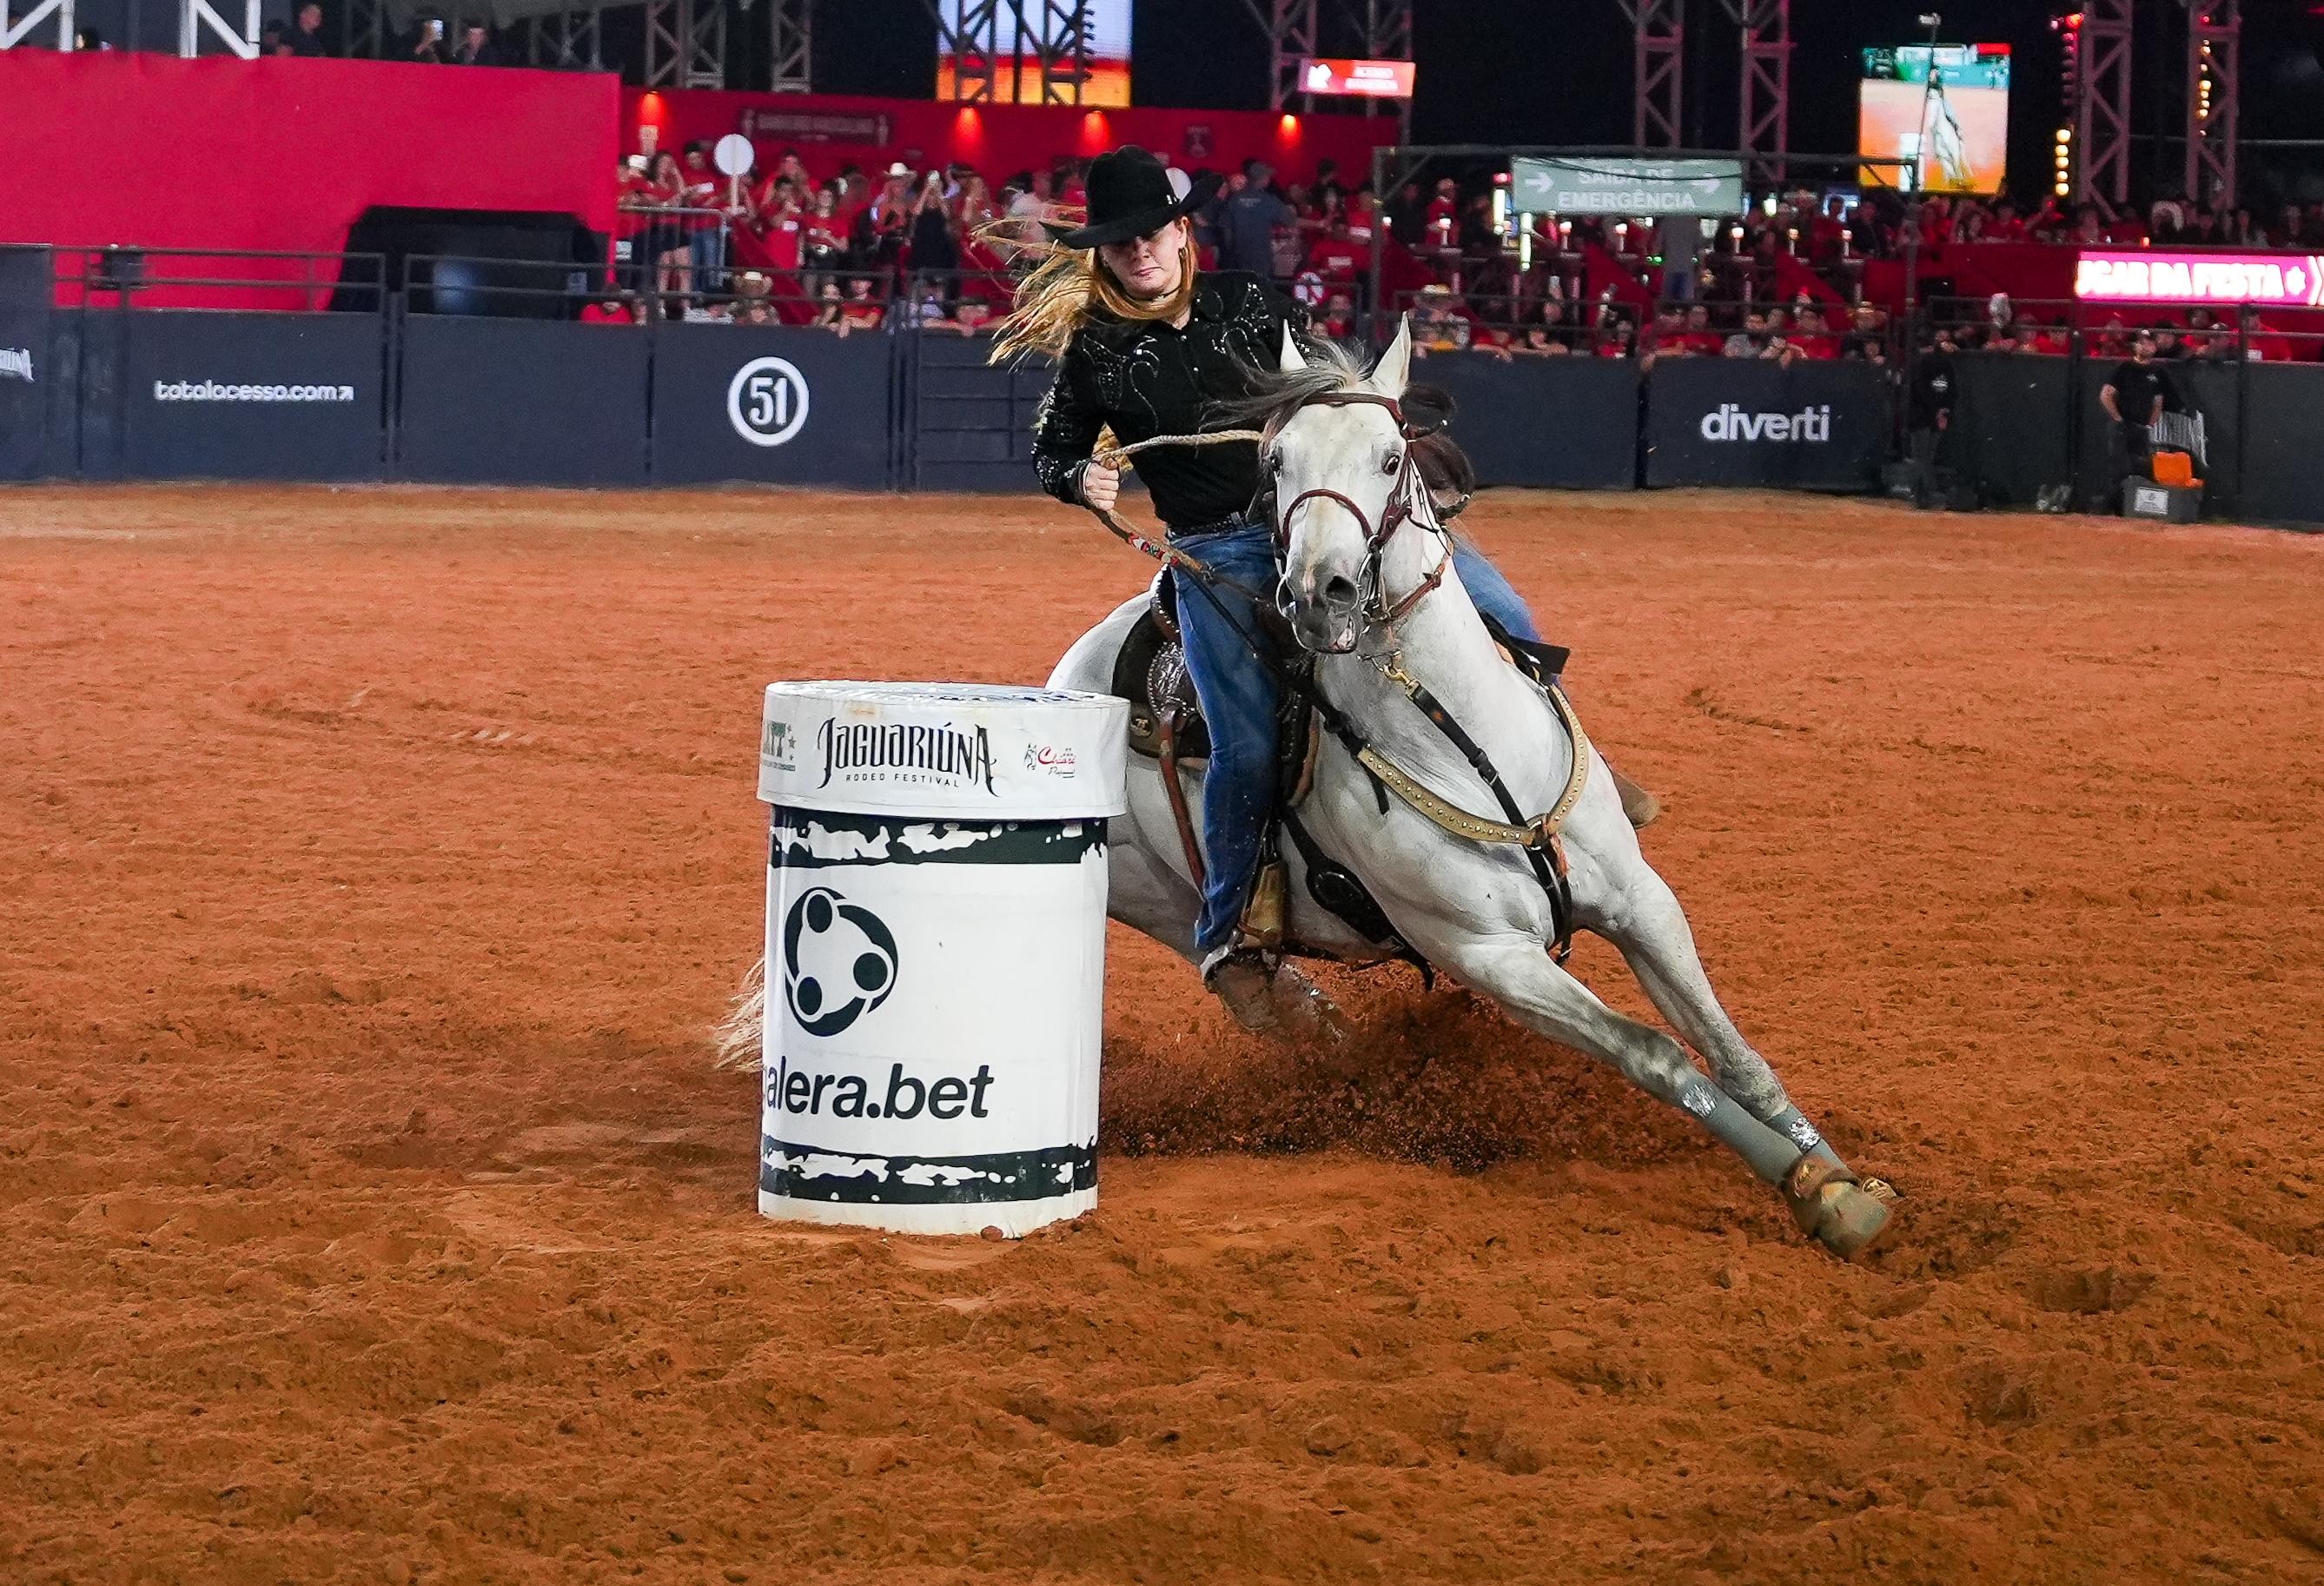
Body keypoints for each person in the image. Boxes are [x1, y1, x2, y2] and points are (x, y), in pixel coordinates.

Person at [998, 145, 1656, 1014]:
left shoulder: (1246, 303)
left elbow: (1329, 385)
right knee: (1244, 741)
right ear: (1104, 256)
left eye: (1151, 236)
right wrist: (1078, 479)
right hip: (1219, 553)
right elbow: (1052, 448)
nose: (1140, 255)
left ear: (1181, 232)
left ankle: (1563, 785)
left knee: (1496, 606)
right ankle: (1232, 923)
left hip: (1318, 517)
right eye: (1121, 246)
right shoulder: (1097, 351)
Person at [2099, 329, 2173, 503]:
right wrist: (2118, 420)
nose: (2145, 346)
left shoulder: (2158, 373)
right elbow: (2105, 395)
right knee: (2118, 468)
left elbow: (2158, 403)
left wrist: (2149, 426)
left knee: (2141, 467)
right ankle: (2113, 507)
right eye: (2141, 342)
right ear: (2135, 345)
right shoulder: (2124, 368)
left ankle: (2135, 507)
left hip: (2141, 428)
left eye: (2149, 343)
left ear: (2155, 347)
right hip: (2121, 427)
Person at [1906, 328, 1958, 510]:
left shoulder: (1921, 363)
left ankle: (1924, 493)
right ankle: (1923, 494)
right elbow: (1950, 392)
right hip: (1928, 416)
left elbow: (1924, 390)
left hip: (1923, 417)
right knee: (1926, 457)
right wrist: (1943, 412)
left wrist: (1941, 412)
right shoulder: (1944, 364)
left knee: (1923, 457)